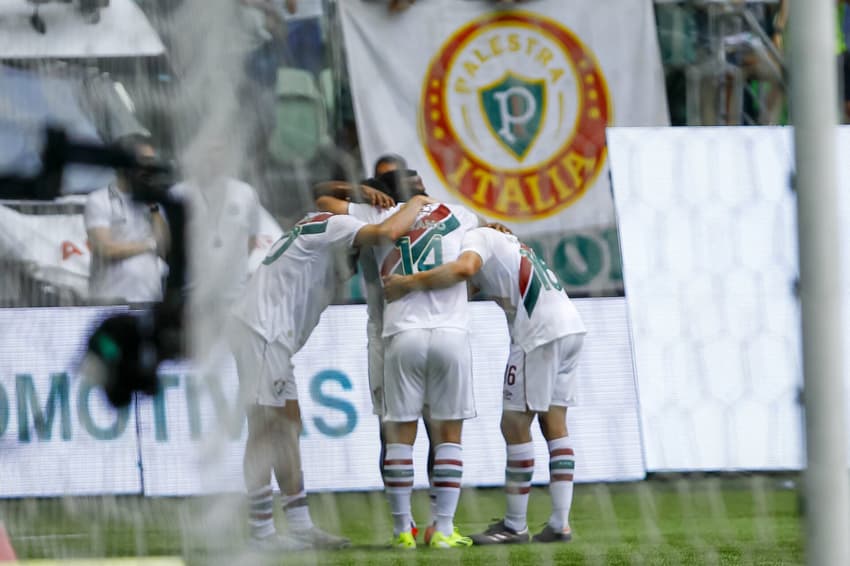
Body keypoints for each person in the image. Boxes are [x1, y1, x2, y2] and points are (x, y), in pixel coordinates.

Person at [229, 191, 433, 551]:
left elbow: (327, 193)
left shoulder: (317, 226)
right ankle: (261, 533)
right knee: (264, 431)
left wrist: (355, 191)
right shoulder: (338, 225)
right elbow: (386, 233)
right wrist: (416, 203)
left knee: (287, 428)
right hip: (263, 333)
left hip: (265, 334)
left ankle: (299, 523)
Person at [383, 226, 586, 544]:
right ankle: (560, 524)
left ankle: (515, 525)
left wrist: (406, 283)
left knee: (514, 424)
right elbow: (465, 288)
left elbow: (465, 268)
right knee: (555, 423)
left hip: (537, 333)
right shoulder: (507, 242)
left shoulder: (475, 237)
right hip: (571, 325)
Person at [317, 176, 481, 550]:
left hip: (401, 333)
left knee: (399, 437)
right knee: (449, 437)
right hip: (451, 332)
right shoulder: (459, 214)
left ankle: (400, 532)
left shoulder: (379, 213)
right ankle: (443, 529)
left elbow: (323, 201)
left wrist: (356, 192)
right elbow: (484, 247)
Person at [84, 135, 168, 304]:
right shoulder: (99, 200)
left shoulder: (153, 202)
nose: (150, 168)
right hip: (112, 301)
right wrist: (150, 244)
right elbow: (105, 249)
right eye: (145, 161)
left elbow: (165, 248)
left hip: (149, 299)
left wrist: (153, 207)